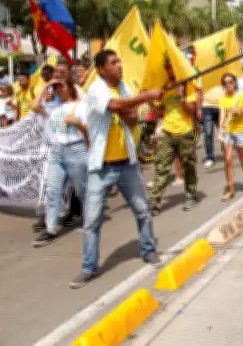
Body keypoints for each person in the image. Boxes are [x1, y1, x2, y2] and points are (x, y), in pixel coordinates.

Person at [70, 49, 163, 289]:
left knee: (143, 210)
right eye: (113, 63)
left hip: (127, 163)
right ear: (101, 69)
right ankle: (89, 267)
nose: (119, 66)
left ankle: (148, 250)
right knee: (91, 221)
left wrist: (129, 104)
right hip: (101, 167)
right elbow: (114, 106)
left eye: (119, 61)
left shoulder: (123, 89)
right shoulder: (95, 90)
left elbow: (132, 118)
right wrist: (143, 97)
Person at [30, 74, 88, 247]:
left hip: (76, 149)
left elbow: (90, 130)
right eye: (56, 88)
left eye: (61, 86)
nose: (58, 90)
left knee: (82, 190)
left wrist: (76, 122)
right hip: (56, 151)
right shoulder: (53, 107)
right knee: (53, 190)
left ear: (70, 87)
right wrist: (46, 85)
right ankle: (51, 228)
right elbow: (34, 106)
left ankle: (90, 221)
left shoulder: (81, 106)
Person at [149, 58, 200, 213]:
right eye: (166, 67)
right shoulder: (163, 86)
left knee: (188, 165)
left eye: (170, 66)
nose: (168, 70)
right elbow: (160, 113)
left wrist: (181, 96)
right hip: (167, 132)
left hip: (185, 132)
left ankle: (191, 195)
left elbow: (191, 111)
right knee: (162, 167)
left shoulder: (187, 85)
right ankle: (155, 201)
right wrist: (150, 102)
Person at [218, 72, 243, 202]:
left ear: (235, 83)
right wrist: (220, 130)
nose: (228, 85)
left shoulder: (242, 95)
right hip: (228, 132)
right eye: (225, 83)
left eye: (230, 82)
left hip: (240, 131)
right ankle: (231, 188)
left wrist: (239, 111)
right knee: (227, 159)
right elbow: (222, 115)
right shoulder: (223, 98)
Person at [201, 84, 224, 169]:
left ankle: (226, 151)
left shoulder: (223, 72)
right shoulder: (201, 73)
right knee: (208, 133)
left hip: (222, 105)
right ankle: (210, 157)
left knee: (223, 132)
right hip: (206, 106)